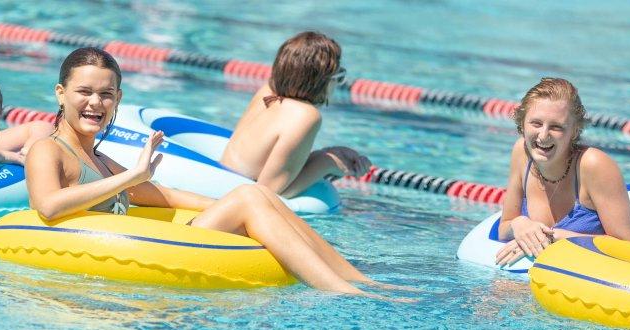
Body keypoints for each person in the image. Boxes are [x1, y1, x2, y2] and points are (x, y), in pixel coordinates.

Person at [26, 47, 406, 296]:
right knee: (249, 197)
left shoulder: (101, 159)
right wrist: (131, 177)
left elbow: (167, 197)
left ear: (118, 100)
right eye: (84, 92)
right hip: (117, 251)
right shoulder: (49, 149)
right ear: (61, 93)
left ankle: (357, 279)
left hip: (162, 239)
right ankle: (341, 292)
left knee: (256, 196)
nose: (96, 103)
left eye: (106, 95)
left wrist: (241, 204)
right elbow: (49, 207)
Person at [495, 77, 630, 266]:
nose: (543, 135)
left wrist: (556, 237)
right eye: (536, 123)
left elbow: (628, 249)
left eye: (556, 127)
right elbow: (504, 227)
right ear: (522, 123)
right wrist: (520, 224)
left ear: (575, 131)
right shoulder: (522, 153)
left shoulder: (594, 166)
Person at [220, 31, 371, 198]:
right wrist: (327, 163)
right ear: (322, 81)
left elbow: (265, 165)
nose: (338, 83)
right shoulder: (305, 116)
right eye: (339, 75)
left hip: (222, 181)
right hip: (233, 197)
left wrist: (326, 152)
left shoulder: (267, 93)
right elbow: (268, 194)